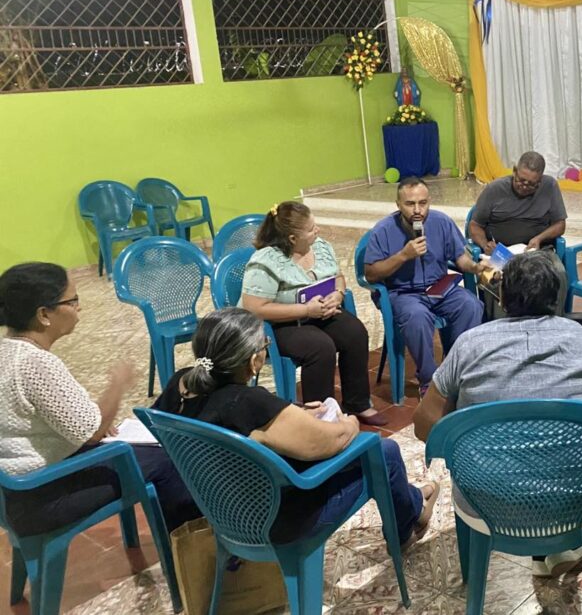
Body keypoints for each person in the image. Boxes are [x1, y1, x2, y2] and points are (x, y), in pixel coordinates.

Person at [152, 308, 437, 547]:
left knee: (377, 454)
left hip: (220, 508)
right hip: (273, 519)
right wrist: (349, 422)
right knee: (383, 451)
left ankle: (413, 501)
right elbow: (333, 440)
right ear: (254, 360)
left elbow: (257, 426)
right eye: (265, 347)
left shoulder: (181, 384)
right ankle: (408, 524)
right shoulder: (247, 403)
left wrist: (296, 414)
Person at [413, 251, 582, 577]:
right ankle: (561, 547)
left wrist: (459, 428)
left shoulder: (469, 345)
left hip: (489, 501)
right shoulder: (579, 337)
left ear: (503, 297)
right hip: (578, 499)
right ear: (556, 297)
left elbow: (424, 427)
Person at [0, 263, 198, 537]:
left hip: (15, 492)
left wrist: (93, 421)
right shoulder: (34, 363)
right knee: (169, 459)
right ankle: (193, 548)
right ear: (44, 314)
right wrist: (117, 385)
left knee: (147, 450)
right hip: (42, 494)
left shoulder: (7, 351)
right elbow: (92, 433)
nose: (79, 308)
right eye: (72, 301)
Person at [241, 201, 387, 426]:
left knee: (354, 332)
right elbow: (255, 308)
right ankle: (320, 419)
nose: (316, 231)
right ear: (292, 238)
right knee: (320, 347)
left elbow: (338, 277)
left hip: (317, 314)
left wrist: (338, 295)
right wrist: (305, 310)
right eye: (310, 229)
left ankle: (358, 403)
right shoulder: (266, 261)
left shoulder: (320, 246)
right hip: (279, 324)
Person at [364, 177, 486, 397]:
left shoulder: (441, 222)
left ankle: (454, 370)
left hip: (439, 287)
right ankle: (429, 381)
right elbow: (370, 273)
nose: (418, 210)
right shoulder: (383, 230)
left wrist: (476, 267)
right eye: (410, 204)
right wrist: (403, 255)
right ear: (398, 204)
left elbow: (460, 258)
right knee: (417, 317)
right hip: (402, 293)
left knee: (471, 305)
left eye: (423, 203)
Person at [468, 151, 569, 319]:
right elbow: (475, 225)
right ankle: (502, 331)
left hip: (538, 251)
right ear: (514, 171)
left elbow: (560, 225)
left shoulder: (549, 186)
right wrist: (485, 244)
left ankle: (554, 325)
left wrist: (539, 238)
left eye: (532, 184)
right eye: (521, 180)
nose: (525, 186)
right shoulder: (494, 189)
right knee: (494, 279)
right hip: (502, 253)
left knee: (558, 273)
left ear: (540, 180)